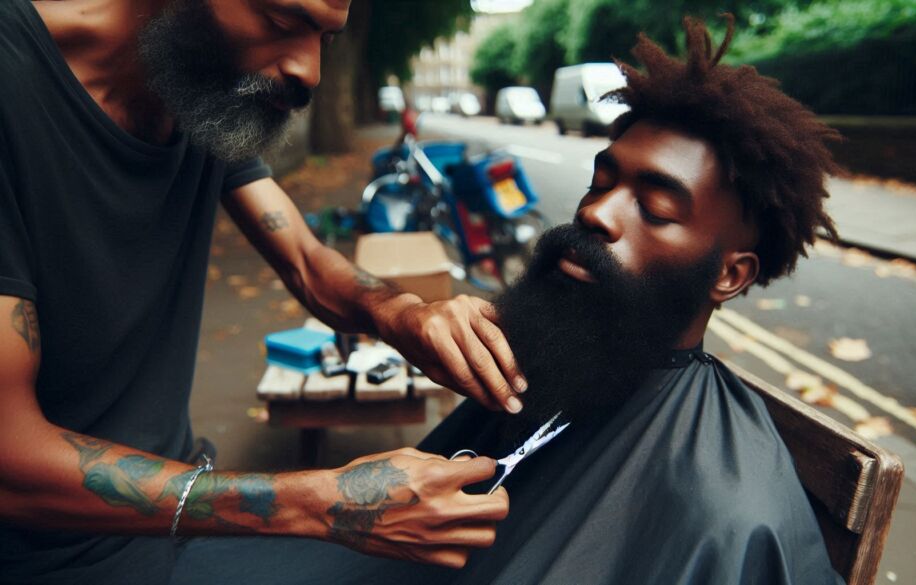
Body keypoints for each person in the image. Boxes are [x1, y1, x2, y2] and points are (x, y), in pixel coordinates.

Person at [162, 14, 848, 584]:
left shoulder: (728, 508)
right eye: (601, 181)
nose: (598, 214)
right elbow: (310, 265)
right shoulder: (561, 361)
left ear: (731, 275)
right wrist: (415, 317)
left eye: (656, 207)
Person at [0, 1, 527, 583]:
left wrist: (406, 315)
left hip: (182, 524)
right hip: (49, 557)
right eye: (282, 23)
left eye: (324, 38)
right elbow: (9, 461)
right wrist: (318, 501)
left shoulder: (192, 79)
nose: (310, 72)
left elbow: (305, 260)